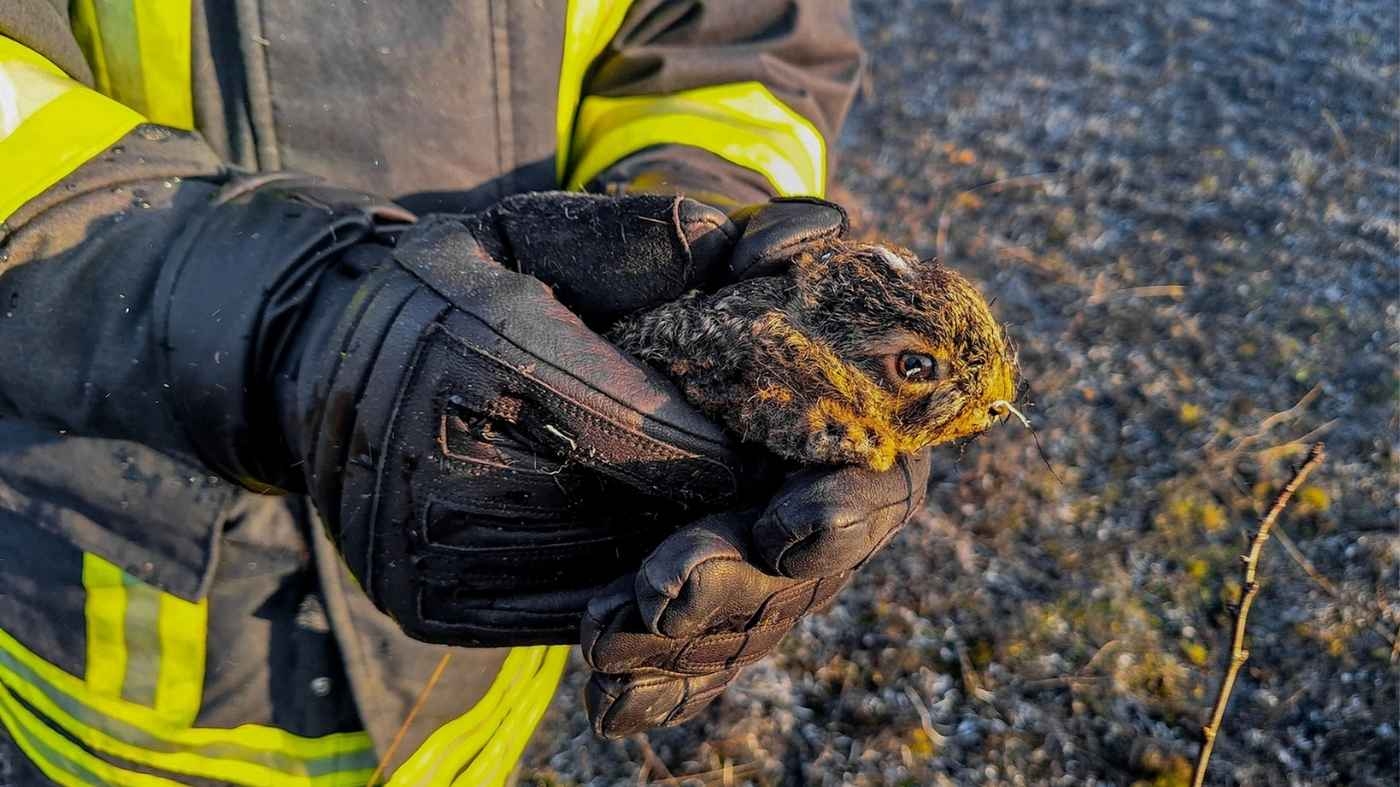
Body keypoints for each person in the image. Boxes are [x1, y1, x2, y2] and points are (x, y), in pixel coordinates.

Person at [0, 2, 931, 784]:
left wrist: (695, 241)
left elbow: (736, 41)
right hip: (117, 643)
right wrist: (288, 319)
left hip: (486, 676)